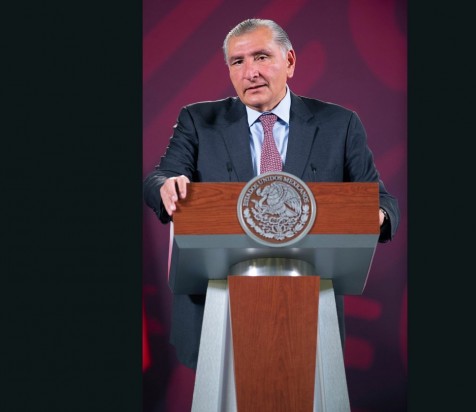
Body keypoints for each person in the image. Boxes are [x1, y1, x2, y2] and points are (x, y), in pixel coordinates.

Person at [143, 18, 400, 370]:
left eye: (261, 57)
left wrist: (376, 217)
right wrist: (165, 186)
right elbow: (160, 177)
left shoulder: (339, 124)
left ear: (290, 61)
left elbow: (382, 202)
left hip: (309, 306)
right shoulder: (198, 121)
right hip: (219, 306)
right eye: (238, 61)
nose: (250, 72)